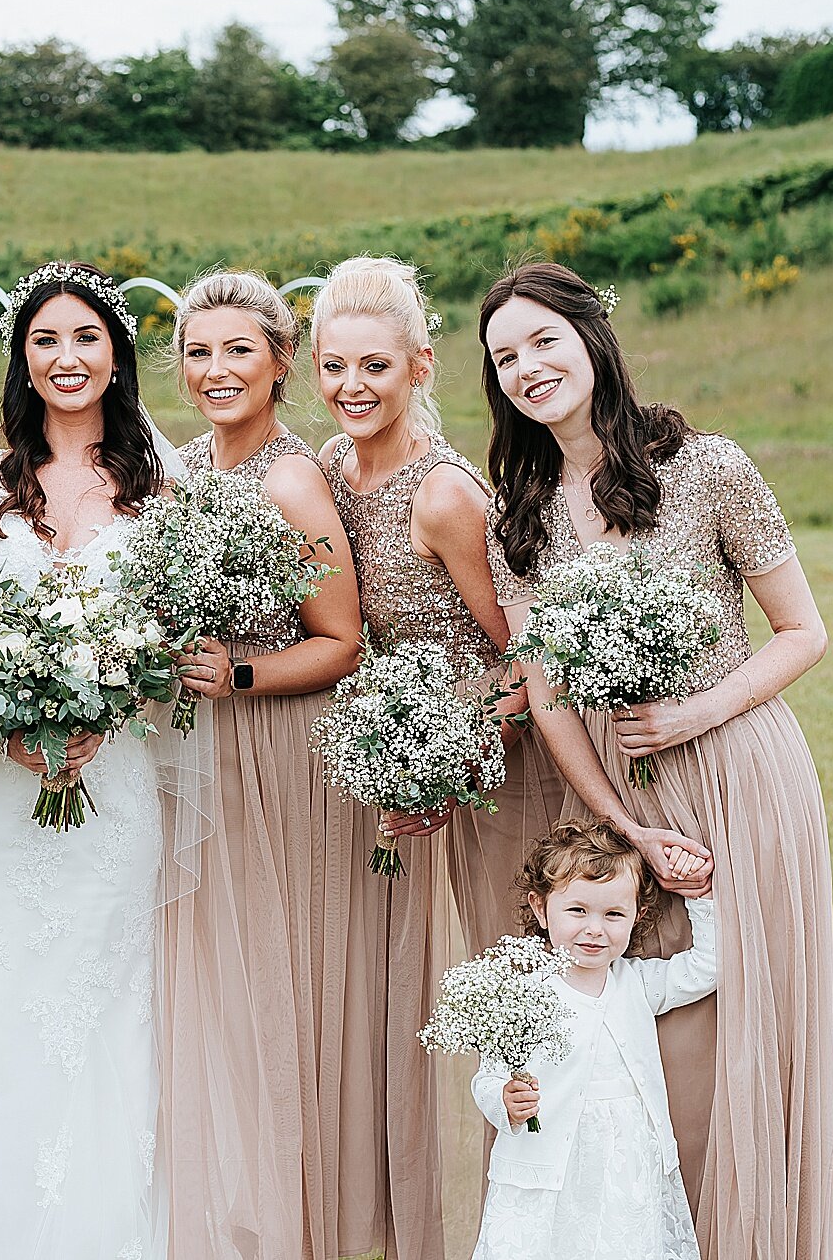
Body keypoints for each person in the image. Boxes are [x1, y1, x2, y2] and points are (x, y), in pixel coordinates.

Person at [479, 260, 833, 1260]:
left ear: (592, 340)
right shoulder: (519, 513)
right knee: (645, 1049)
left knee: (738, 1032)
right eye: (503, 356)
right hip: (611, 790)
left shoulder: (706, 467)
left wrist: (691, 713)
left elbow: (800, 631)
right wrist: (623, 827)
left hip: (734, 767)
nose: (525, 366)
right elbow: (546, 695)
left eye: (542, 340)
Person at [0, 261, 178, 1259]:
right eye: (44, 340)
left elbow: (172, 637)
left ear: (116, 354)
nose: (66, 357)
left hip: (106, 790)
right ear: (21, 357)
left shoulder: (162, 481)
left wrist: (118, 701)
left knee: (97, 1017)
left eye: (86, 338)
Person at [311, 254, 562, 1254]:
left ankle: (546, 1209)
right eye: (332, 367)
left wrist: (447, 763)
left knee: (511, 995)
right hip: (411, 760)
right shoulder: (332, 467)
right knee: (428, 1002)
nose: (351, 387)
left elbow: (526, 655)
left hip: (499, 767)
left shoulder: (445, 495)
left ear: (420, 365)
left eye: (374, 365)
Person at [164, 269, 373, 1259]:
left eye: (237, 350)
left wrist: (238, 671)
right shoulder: (186, 463)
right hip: (195, 749)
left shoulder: (289, 477)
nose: (215, 369)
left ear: (280, 361)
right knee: (210, 983)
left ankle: (300, 1213)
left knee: (272, 981)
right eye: (198, 352)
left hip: (272, 751)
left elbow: (340, 637)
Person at [469, 819, 716, 1260]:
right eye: (578, 910)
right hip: (547, 1165)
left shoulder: (637, 984)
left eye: (613, 914)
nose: (595, 929)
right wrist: (504, 1099)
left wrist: (699, 897)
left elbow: (706, 967)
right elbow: (488, 1077)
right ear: (541, 908)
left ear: (636, 917)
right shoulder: (524, 993)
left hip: (626, 1159)